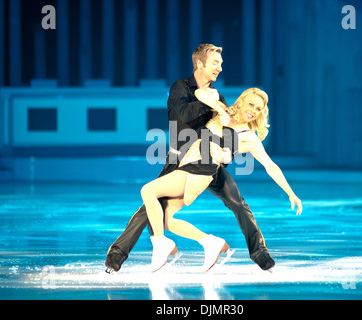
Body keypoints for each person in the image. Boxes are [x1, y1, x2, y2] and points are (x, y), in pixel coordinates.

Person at [105, 44, 275, 273]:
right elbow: (184, 114)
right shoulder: (181, 88)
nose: (220, 68)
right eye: (215, 63)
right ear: (200, 64)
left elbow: (225, 134)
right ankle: (118, 254)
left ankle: (260, 253)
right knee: (152, 206)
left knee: (238, 203)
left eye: (221, 64)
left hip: (207, 162)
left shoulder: (218, 97)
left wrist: (228, 154)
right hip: (180, 160)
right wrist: (208, 102)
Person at [141, 87, 303, 272]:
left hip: (208, 170)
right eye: (251, 104)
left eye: (258, 109)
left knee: (239, 204)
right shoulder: (221, 110)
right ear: (241, 101)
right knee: (162, 216)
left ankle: (259, 253)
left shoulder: (249, 137)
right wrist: (217, 108)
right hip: (193, 162)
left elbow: (270, 166)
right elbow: (200, 93)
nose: (253, 111)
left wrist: (291, 192)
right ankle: (207, 242)